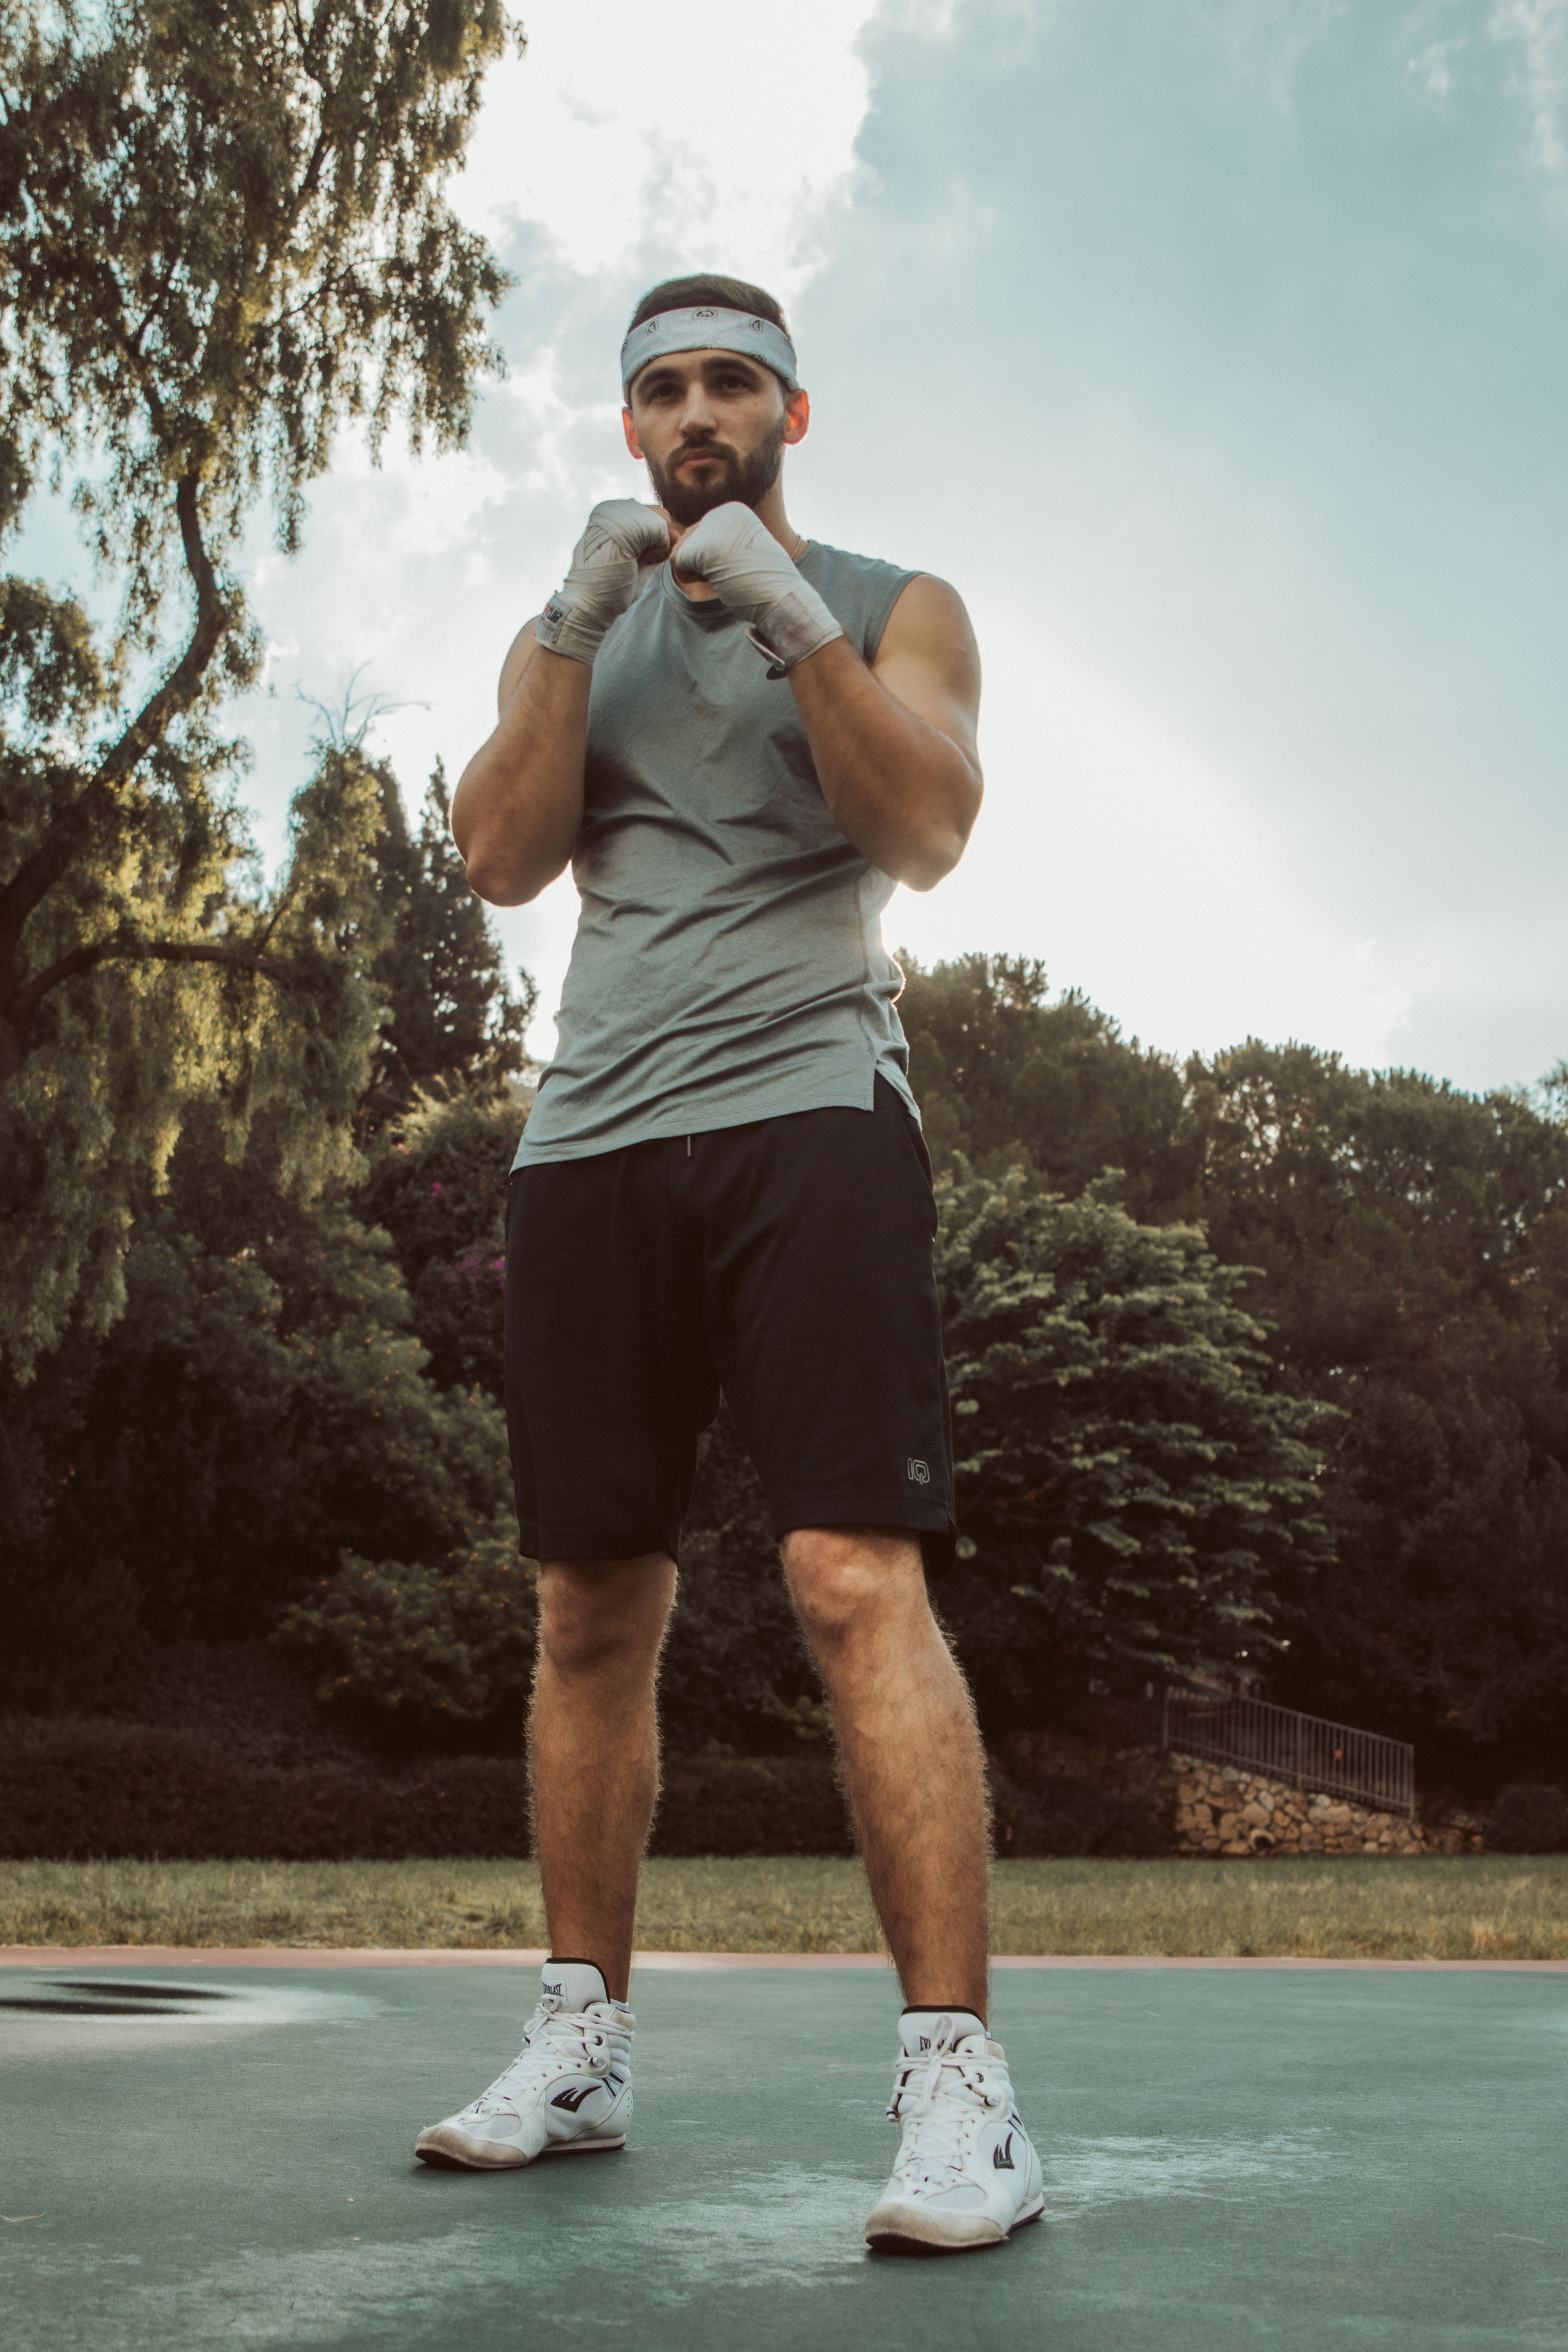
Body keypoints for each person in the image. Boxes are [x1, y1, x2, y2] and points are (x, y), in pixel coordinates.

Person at [416, 272, 1043, 2255]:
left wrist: (787, 613)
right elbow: (499, 859)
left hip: (811, 1116)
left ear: (791, 410)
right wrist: (564, 621)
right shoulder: (580, 627)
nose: (699, 414)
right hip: (592, 1139)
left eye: (734, 385)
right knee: (589, 1607)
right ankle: (580, 2048)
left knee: (852, 1578)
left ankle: (961, 2095)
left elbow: (928, 823)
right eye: (665, 389)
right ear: (625, 427)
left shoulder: (890, 594)